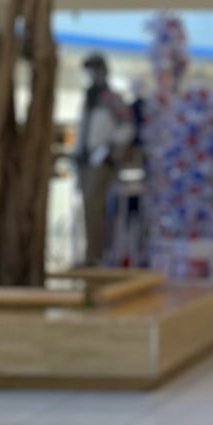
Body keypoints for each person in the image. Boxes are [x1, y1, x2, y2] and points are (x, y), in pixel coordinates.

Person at [73, 52, 133, 265]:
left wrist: (108, 149)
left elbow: (127, 127)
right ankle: (90, 253)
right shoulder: (89, 99)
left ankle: (95, 256)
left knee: (94, 206)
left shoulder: (112, 99)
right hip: (85, 159)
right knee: (86, 207)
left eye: (93, 70)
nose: (90, 75)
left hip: (101, 160)